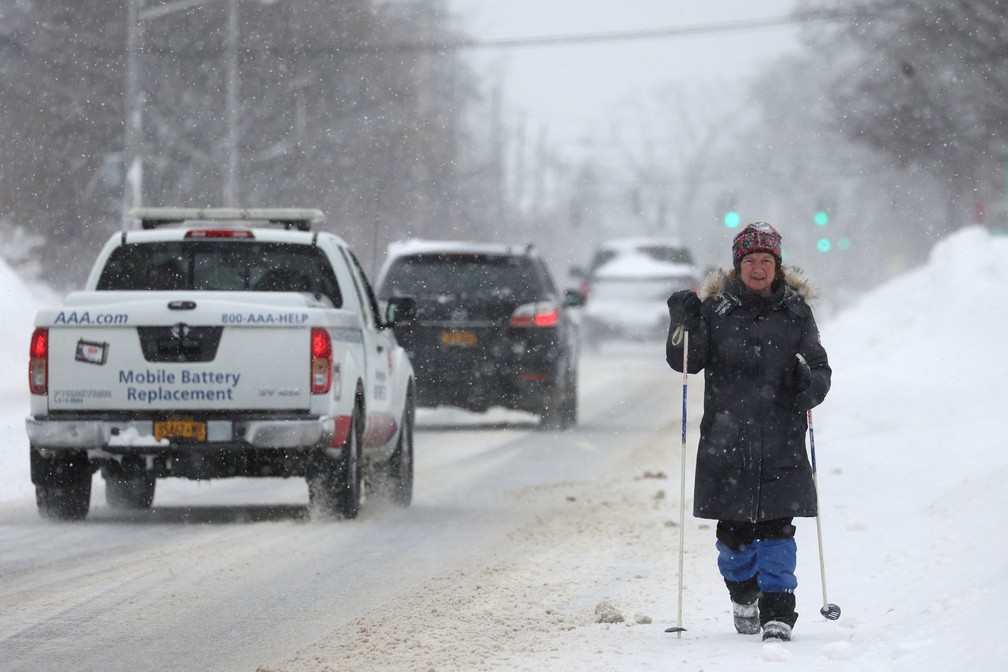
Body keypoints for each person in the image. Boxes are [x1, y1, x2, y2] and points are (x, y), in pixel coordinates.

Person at [665, 221, 831, 642]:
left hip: (780, 439)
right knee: (734, 538)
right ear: (738, 265)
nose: (758, 268)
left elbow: (819, 367)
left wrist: (812, 383)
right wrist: (680, 323)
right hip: (727, 441)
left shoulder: (795, 312)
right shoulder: (715, 310)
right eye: (750, 260)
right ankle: (743, 594)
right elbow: (686, 361)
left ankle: (779, 613)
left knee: (778, 530)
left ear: (778, 265)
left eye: (766, 260)